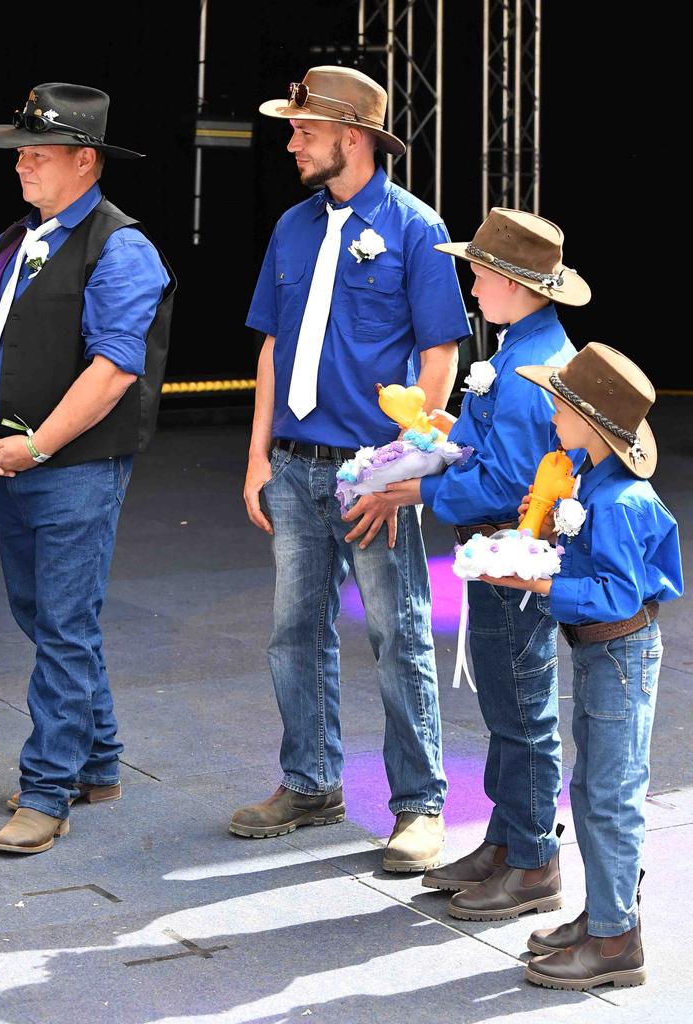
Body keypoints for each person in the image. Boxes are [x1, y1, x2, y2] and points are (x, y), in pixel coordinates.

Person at [232, 66, 470, 872]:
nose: (291, 143)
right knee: (293, 634)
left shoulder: (416, 229)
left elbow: (441, 357)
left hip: (372, 472)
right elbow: (271, 348)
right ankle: (310, 783)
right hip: (295, 466)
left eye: (304, 130)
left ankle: (420, 808)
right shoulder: (293, 228)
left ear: (352, 138)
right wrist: (258, 454)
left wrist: (405, 469)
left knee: (399, 634)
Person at [0, 82, 176, 854]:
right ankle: (100, 759)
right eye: (19, 153)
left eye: (36, 154)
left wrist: (35, 444)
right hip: (16, 461)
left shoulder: (122, 248)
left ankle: (48, 790)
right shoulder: (15, 241)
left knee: (64, 624)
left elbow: (114, 369)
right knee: (47, 619)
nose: (21, 166)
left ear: (85, 162)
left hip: (71, 467)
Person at [384, 208, 591, 914]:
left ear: (513, 282)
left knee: (523, 715)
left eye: (478, 273)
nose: (471, 285)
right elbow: (497, 457)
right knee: (508, 709)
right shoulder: (517, 352)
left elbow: (508, 482)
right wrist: (444, 435)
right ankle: (507, 841)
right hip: (502, 551)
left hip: (515, 555)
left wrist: (421, 484)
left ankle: (533, 861)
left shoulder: (530, 368)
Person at [479, 343, 682, 989]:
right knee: (593, 790)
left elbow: (618, 594)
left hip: (619, 655)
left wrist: (535, 582)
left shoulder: (620, 500)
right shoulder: (586, 477)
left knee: (610, 798)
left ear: (590, 421)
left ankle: (617, 940)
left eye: (559, 404)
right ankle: (605, 915)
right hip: (600, 654)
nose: (550, 412)